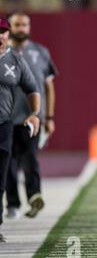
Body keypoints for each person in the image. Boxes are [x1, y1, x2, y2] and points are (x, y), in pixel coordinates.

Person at [5, 12, 58, 219]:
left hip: (32, 117)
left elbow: (49, 87)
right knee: (8, 161)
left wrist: (50, 118)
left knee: (29, 157)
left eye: (25, 25)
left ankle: (34, 195)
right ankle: (13, 204)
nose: (21, 29)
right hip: (6, 117)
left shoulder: (40, 52)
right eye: (17, 25)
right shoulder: (3, 52)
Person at [0, 16, 40, 242]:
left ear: (8, 34)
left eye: (3, 31)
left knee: (1, 179)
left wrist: (35, 114)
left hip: (4, 126)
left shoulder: (15, 60)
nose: (0, 36)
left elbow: (32, 88)